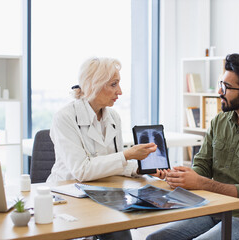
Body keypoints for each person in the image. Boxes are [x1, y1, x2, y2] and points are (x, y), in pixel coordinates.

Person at [147, 53, 239, 240]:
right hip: (214, 208)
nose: (219, 91)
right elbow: (202, 166)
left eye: (226, 87)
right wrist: (179, 177)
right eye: (221, 84)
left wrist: (200, 182)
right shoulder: (219, 121)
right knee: (156, 238)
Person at [47, 57, 158, 240]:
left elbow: (114, 163)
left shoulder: (113, 117)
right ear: (93, 85)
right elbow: (81, 170)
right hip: (69, 196)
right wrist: (127, 155)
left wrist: (140, 168)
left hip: (103, 193)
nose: (120, 91)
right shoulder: (64, 118)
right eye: (113, 84)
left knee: (121, 232)